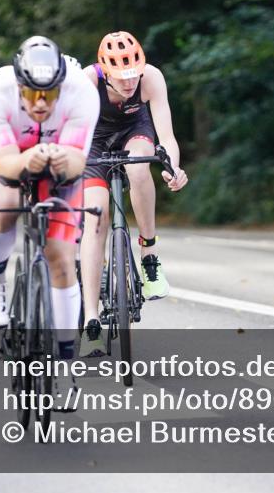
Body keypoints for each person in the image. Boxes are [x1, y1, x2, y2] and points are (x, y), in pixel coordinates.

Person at [0, 36, 99, 362]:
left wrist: (59, 160)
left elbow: (76, 165)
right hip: (9, 153)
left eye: (50, 94)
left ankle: (66, 359)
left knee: (60, 254)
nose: (41, 103)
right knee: (4, 204)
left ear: (61, 86)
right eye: (31, 94)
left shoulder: (82, 93)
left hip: (59, 158)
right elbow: (7, 165)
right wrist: (29, 161)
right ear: (18, 86)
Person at [78, 31, 188, 358]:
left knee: (139, 168)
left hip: (133, 130)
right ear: (104, 71)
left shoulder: (150, 78)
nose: (129, 84)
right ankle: (91, 320)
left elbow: (165, 135)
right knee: (95, 219)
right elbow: (73, 132)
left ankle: (149, 256)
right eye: (120, 78)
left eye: (133, 75)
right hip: (94, 140)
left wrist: (172, 167)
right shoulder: (86, 83)